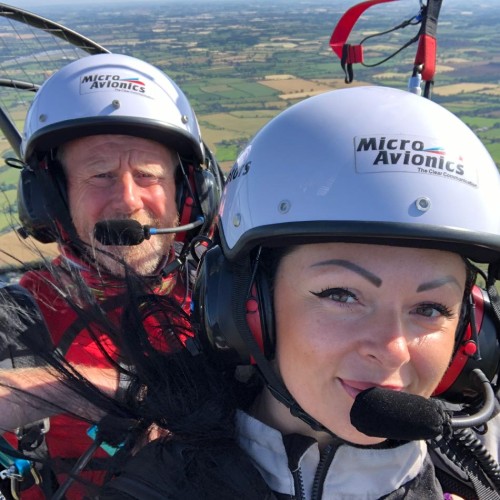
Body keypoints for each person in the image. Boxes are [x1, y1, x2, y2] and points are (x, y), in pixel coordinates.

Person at [92, 85, 500, 499]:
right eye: (342, 295)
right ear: (243, 309)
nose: (393, 351)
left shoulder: (482, 472)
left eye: (430, 308)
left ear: (470, 333)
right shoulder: (155, 489)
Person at [0, 52, 222, 499]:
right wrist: (108, 391)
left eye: (148, 175)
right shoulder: (23, 312)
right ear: (53, 199)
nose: (128, 200)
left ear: (188, 194)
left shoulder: (228, 292)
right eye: (100, 175)